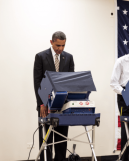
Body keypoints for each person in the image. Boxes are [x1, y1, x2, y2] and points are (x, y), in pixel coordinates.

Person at [33, 31, 74, 161]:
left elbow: (70, 82)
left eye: (63, 45)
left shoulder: (69, 58)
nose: (60, 49)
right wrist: (42, 103)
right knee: (46, 140)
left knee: (61, 140)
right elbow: (37, 82)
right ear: (51, 42)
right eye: (57, 45)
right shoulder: (40, 57)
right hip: (45, 104)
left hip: (63, 105)